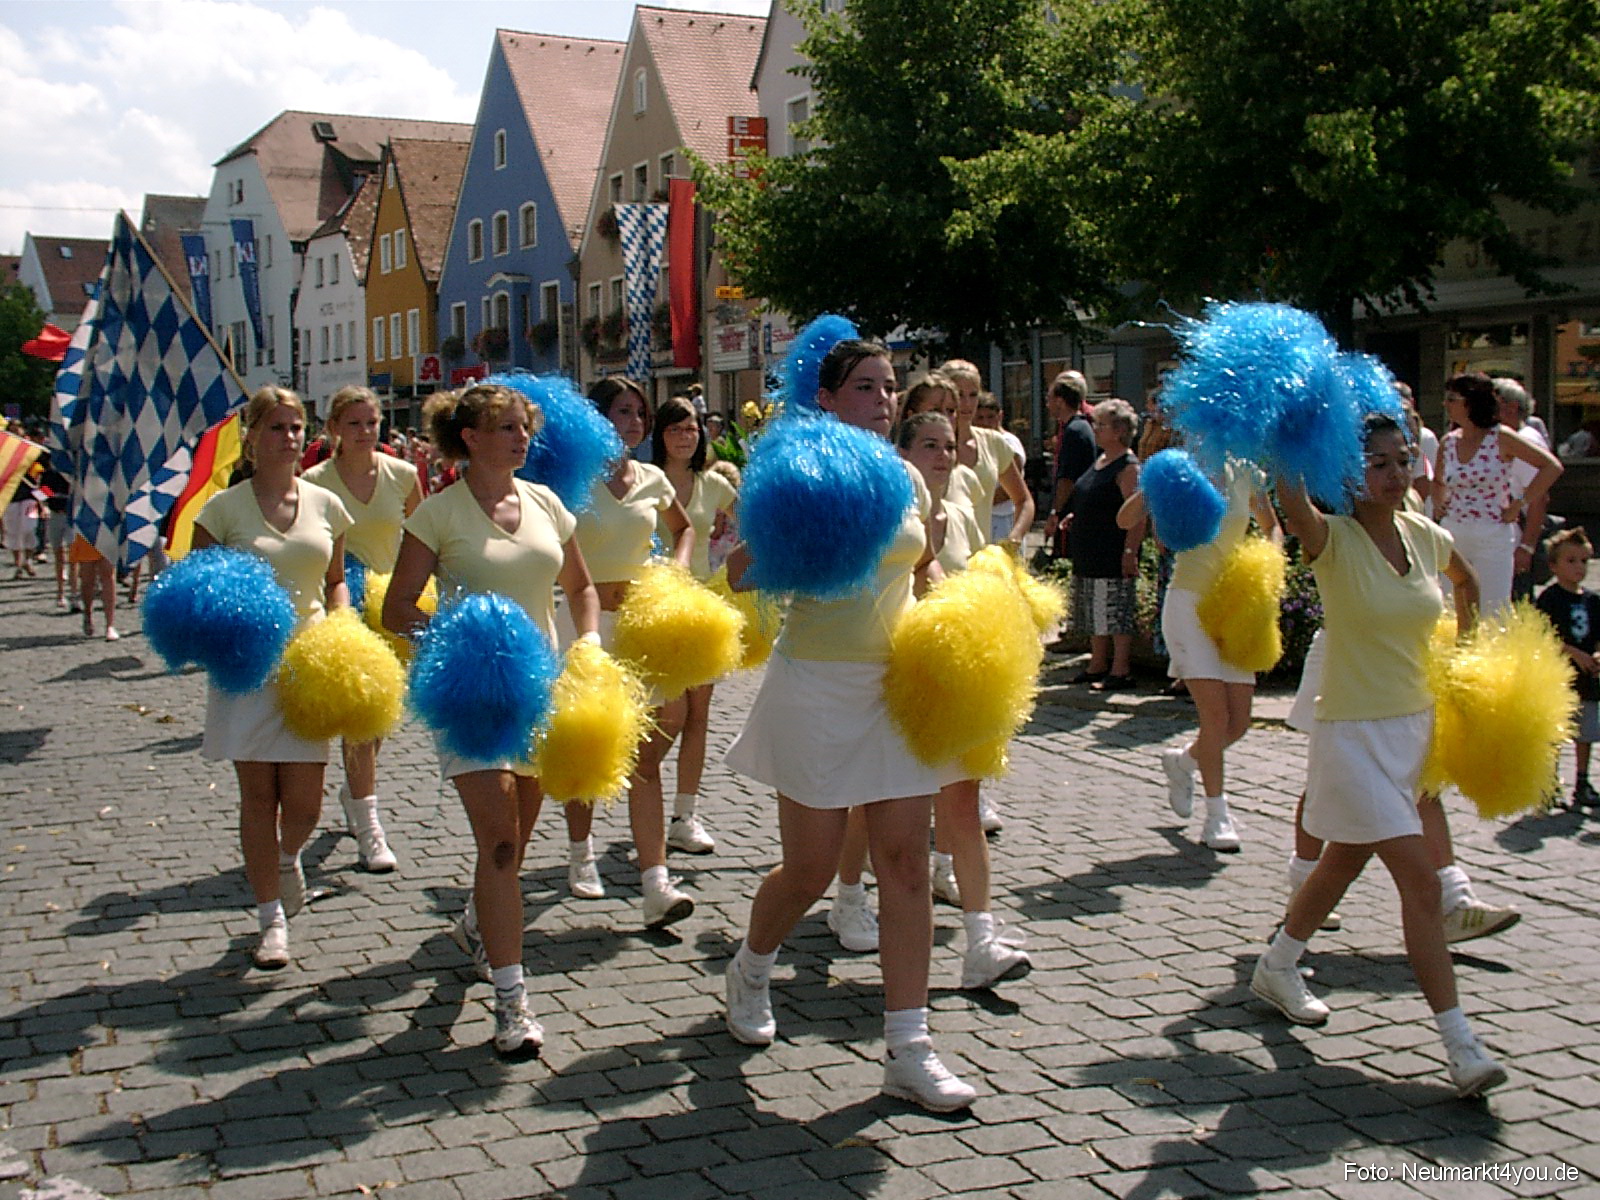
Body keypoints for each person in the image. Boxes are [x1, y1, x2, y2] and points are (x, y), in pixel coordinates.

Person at [723, 337, 977, 1113]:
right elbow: (740, 571)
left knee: (905, 864)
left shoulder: (907, 477)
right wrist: (804, 543)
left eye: (890, 386)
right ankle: (751, 967)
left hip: (891, 688)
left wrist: (953, 610)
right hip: (815, 686)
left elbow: (920, 562)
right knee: (810, 870)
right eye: (865, 387)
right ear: (828, 400)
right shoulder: (800, 471)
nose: (883, 399)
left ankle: (909, 1047)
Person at [1262, 412, 1507, 1099]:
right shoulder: (1331, 539)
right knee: (1421, 885)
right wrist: (1291, 426)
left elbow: (1468, 582)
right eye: (1379, 463)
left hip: (1414, 731)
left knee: (1341, 861)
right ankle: (1461, 1046)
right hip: (1352, 735)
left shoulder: (1426, 535)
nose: (1397, 474)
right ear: (1348, 472)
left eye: (1403, 460)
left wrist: (1465, 657)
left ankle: (1278, 964)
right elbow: (1291, 500)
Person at [383, 382, 601, 1056]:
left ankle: (477, 924)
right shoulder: (437, 515)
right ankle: (512, 1002)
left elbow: (582, 588)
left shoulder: (547, 503)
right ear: (469, 438)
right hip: (471, 697)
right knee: (501, 841)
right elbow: (397, 608)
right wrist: (459, 646)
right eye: (506, 427)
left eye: (524, 427)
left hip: (539, 692)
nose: (520, 438)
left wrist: (588, 643)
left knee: (512, 844)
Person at [192, 386, 354, 970]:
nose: (288, 438)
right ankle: (270, 920)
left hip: (311, 665)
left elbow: (336, 580)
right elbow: (197, 587)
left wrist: (342, 620)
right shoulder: (221, 511)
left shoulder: (327, 505)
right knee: (259, 798)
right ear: (252, 437)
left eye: (295, 427)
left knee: (305, 803)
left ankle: (287, 859)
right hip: (247, 669)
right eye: (277, 427)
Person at [897, 411, 1032, 989]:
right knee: (874, 815)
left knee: (964, 802)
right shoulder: (891, 509)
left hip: (952, 669)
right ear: (903, 452)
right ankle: (848, 899)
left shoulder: (959, 510)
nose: (943, 456)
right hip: (896, 674)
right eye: (929, 445)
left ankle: (981, 941)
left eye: (949, 446)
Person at [562, 377, 697, 928]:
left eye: (641, 412)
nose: (636, 422)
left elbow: (684, 530)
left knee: (654, 741)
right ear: (597, 419)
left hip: (641, 626)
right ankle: (581, 851)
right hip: (587, 624)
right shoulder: (570, 480)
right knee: (587, 741)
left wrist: (676, 570)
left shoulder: (652, 478)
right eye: (624, 411)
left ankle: (655, 883)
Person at [1120, 463, 1277, 850]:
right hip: (1188, 604)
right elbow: (1124, 519)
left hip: (1234, 605)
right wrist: (1156, 481)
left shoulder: (1246, 471)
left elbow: (1272, 526)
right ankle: (1217, 815)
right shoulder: (1182, 470)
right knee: (1216, 717)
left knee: (1238, 723)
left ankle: (1183, 762)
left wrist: (1269, 565)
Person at [303, 385, 423, 873]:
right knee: (360, 716)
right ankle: (370, 827)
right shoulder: (314, 481)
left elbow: (422, 536)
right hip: (343, 607)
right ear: (333, 428)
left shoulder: (403, 474)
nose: (365, 432)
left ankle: (355, 790)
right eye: (353, 423)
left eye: (372, 422)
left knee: (381, 715)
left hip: (392, 606)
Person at [651, 395, 738, 856]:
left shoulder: (713, 485)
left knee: (698, 715)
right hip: (654, 609)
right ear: (660, 435)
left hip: (702, 607)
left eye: (692, 428)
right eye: (676, 428)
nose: (686, 437)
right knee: (669, 713)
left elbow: (756, 524)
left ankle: (685, 814)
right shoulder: (646, 480)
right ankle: (641, 781)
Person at [1433, 372, 1561, 618]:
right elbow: (1438, 480)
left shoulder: (1501, 437)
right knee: (1450, 608)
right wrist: (1439, 502)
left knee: (1492, 610)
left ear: (1470, 403)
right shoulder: (1448, 442)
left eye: (1452, 399)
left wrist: (1518, 504)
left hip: (1492, 534)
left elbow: (1551, 467)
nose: (1445, 404)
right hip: (1454, 533)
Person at [1063, 398, 1144, 690]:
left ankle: (1120, 669)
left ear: (1120, 430)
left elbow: (1137, 514)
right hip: (1089, 548)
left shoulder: (1128, 467)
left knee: (1116, 607)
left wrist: (1130, 551)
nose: (1095, 429)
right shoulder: (1100, 460)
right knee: (1093, 605)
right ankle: (1096, 663)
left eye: (1101, 424)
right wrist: (1076, 516)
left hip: (1113, 548)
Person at [938, 359, 1035, 548]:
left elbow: (1024, 500)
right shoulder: (926, 444)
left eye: (973, 395)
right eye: (959, 394)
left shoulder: (994, 443)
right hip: (937, 558)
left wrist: (1014, 539)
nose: (967, 403)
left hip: (981, 558)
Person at [1536, 526, 1600, 808]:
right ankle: (1549, 783)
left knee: (1586, 732)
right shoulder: (1550, 599)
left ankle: (1582, 781)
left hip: (1587, 679)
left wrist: (1596, 655)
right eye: (1571, 561)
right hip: (1560, 678)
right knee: (1556, 732)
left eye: (1584, 561)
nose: (1579, 567)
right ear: (1554, 566)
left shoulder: (1593, 600)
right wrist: (1573, 653)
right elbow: (1544, 636)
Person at [1492, 376, 1553, 602]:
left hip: (1514, 543)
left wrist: (1526, 547)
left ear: (1511, 407)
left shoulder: (1525, 441)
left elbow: (1539, 497)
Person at [1041, 370, 1097, 560]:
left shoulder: (1074, 431)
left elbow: (1067, 479)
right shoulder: (1077, 427)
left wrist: (1055, 513)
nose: (1047, 405)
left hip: (1071, 513)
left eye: (1049, 399)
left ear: (1060, 401)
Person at [972, 393, 1027, 546]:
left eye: (990, 417)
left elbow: (1008, 490)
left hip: (1004, 519)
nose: (985, 423)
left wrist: (979, 503)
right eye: (980, 418)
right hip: (984, 518)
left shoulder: (1009, 443)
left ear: (1000, 416)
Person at [36, 455, 72, 609]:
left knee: (73, 555)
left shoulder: (72, 473)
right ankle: (60, 593)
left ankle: (74, 593)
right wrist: (43, 506)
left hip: (71, 517)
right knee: (59, 554)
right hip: (55, 515)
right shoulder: (49, 475)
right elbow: (41, 494)